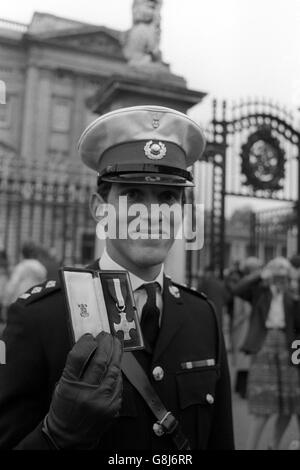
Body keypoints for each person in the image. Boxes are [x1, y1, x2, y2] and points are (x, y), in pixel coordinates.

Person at [0, 105, 234, 450]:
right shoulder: (40, 317)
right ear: (99, 208)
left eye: (168, 197)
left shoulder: (203, 316)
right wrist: (54, 436)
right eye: (133, 195)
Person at [233, 257, 300, 449]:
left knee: (290, 402)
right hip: (264, 346)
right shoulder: (259, 292)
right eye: (276, 275)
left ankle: (274, 444)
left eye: (283, 275)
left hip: (289, 349)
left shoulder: (292, 295)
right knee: (262, 403)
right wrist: (262, 274)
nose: (280, 279)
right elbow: (238, 290)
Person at [2, 242, 47, 315]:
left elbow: (12, 285)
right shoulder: (41, 268)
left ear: (23, 253)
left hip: (20, 302)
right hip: (35, 301)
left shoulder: (21, 267)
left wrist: (5, 302)